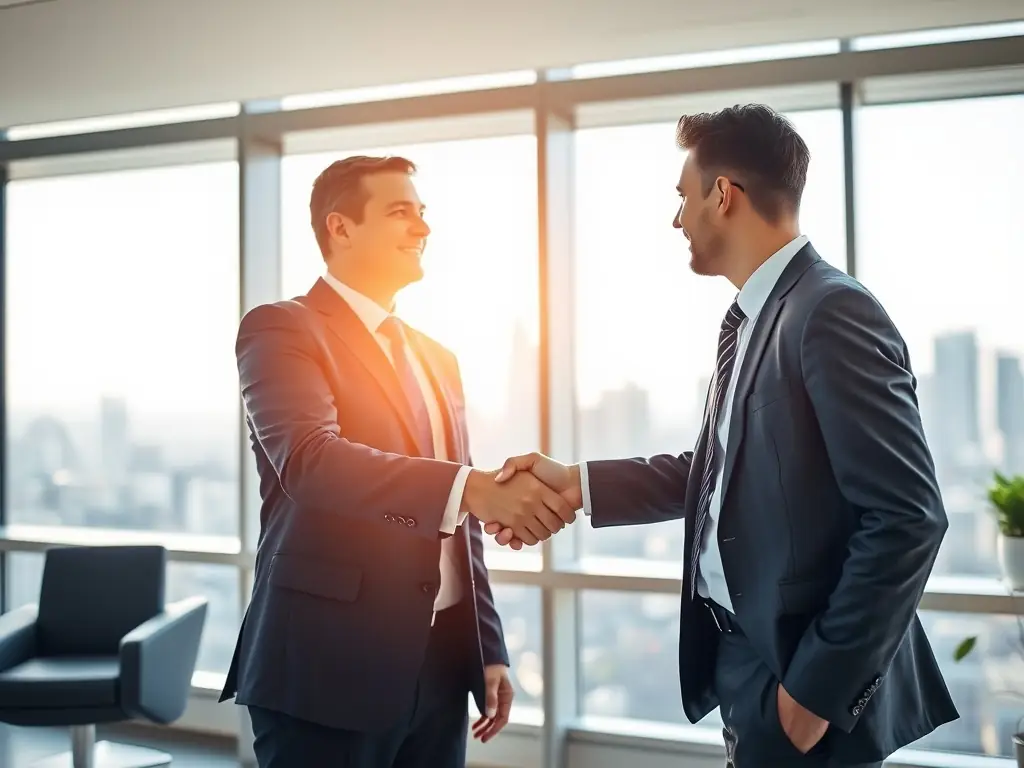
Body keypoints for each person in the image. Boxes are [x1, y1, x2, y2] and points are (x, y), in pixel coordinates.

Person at [487, 105, 958, 767]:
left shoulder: (829, 311)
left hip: (800, 680)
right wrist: (576, 484)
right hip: (750, 659)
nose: (676, 218)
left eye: (683, 196)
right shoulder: (757, 316)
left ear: (723, 194)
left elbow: (910, 517)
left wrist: (812, 695)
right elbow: (718, 472)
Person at [219, 155, 576, 767]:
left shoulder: (438, 357)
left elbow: (459, 512)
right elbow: (310, 460)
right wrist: (472, 489)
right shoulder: (281, 330)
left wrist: (487, 646)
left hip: (438, 665)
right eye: (400, 211)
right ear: (341, 228)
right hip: (325, 667)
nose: (422, 228)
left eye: (423, 212)